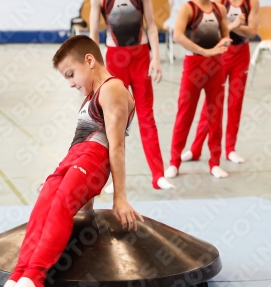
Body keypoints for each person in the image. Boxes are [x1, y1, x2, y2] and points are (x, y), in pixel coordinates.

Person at [0, 35, 144, 287]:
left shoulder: (112, 89)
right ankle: (18, 274)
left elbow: (117, 146)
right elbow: (79, 141)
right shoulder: (91, 95)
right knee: (43, 206)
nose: (71, 83)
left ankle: (35, 276)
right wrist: (61, 172)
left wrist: (120, 197)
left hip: (94, 158)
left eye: (71, 74)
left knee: (60, 206)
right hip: (75, 158)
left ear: (89, 61)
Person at [89, 0, 174, 192]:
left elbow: (151, 25)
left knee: (146, 116)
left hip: (141, 57)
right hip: (115, 59)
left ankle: (158, 175)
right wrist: (95, 67)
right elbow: (94, 33)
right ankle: (116, 180)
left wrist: (156, 59)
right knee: (117, 121)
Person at [181, 0, 259, 164]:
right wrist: (235, 24)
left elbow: (252, 32)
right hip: (221, 53)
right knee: (211, 105)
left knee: (235, 102)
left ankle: (230, 149)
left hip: (241, 56)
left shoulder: (252, 2)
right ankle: (195, 149)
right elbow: (211, 30)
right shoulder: (219, 3)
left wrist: (233, 26)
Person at [165, 0, 232, 179]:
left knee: (215, 115)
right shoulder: (188, 8)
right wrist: (204, 51)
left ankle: (215, 162)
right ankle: (174, 162)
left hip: (216, 66)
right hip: (194, 67)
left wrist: (225, 41)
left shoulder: (220, 10)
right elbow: (177, 36)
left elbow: (225, 34)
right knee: (185, 114)